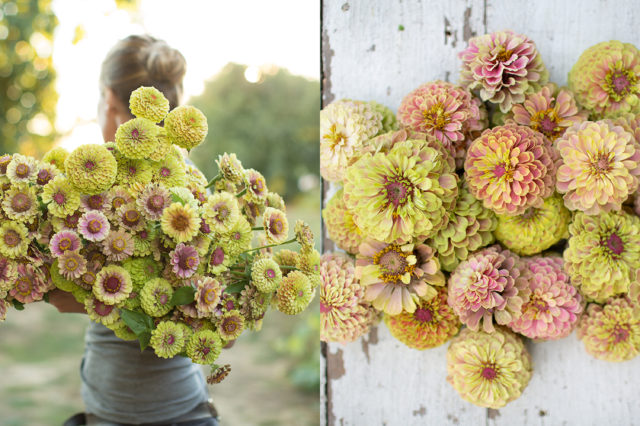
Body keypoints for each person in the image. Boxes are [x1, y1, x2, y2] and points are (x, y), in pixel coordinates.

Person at [50, 35, 219, 426]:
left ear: (109, 100)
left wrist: (92, 299)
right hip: (179, 407)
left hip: (122, 407)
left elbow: (198, 304)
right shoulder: (197, 191)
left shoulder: (88, 198)